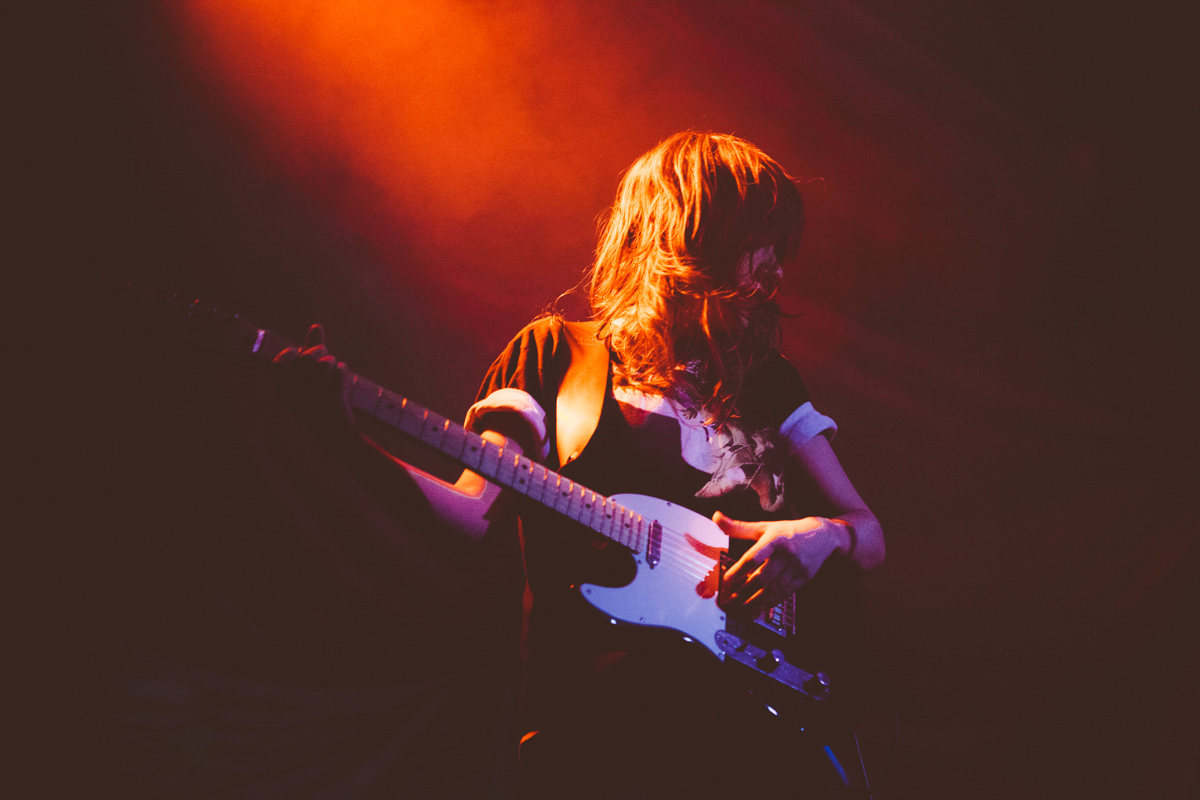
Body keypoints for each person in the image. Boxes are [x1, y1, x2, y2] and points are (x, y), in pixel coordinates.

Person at [280, 131, 883, 798]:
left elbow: (867, 532)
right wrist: (345, 440)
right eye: (762, 242)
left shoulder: (768, 385)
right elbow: (469, 515)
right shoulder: (555, 358)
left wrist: (824, 534)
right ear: (696, 234)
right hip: (597, 732)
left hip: (753, 734)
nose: (777, 271)